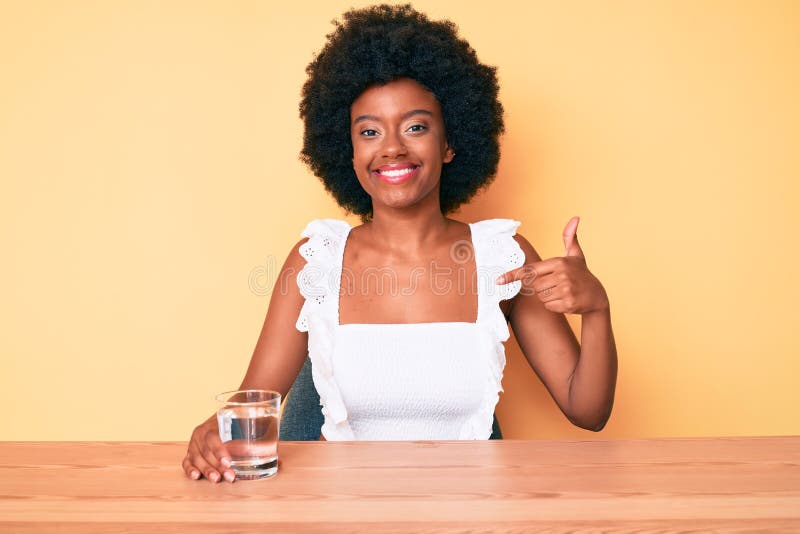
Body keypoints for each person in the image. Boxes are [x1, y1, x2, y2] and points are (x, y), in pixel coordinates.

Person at [183, 3, 617, 483]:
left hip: (470, 511)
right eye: (369, 131)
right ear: (348, 152)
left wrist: (596, 308)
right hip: (344, 513)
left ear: (450, 143)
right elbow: (250, 406)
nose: (391, 147)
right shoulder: (317, 259)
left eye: (415, 126)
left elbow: (588, 410)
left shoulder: (503, 255)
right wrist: (213, 436)